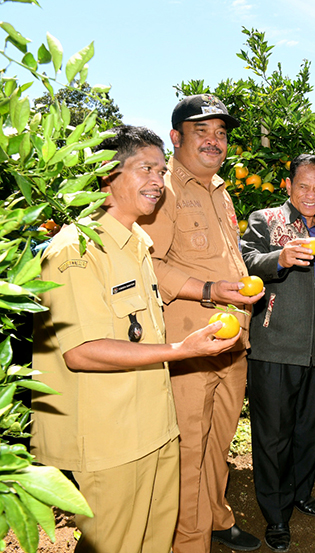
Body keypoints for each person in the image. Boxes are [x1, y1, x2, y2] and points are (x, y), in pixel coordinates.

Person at [31, 126, 242, 553]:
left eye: (160, 170)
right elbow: (81, 352)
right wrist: (181, 351)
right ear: (107, 174)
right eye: (145, 168)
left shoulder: (137, 245)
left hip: (154, 430)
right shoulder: (75, 251)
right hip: (111, 439)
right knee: (113, 543)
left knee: (153, 541)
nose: (157, 181)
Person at [138, 95, 263, 553]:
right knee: (189, 449)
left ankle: (215, 517)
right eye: (201, 132)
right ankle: (189, 542)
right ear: (176, 137)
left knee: (218, 441)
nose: (214, 142)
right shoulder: (163, 189)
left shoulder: (220, 190)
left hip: (230, 344)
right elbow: (149, 264)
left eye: (221, 133)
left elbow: (227, 257)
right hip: (190, 344)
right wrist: (210, 290)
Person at [240, 154, 315, 552]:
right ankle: (276, 513)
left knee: (306, 430)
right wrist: (277, 259)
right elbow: (244, 261)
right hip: (273, 345)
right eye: (303, 186)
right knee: (272, 435)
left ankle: (300, 493)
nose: (310, 194)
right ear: (288, 186)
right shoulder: (266, 220)